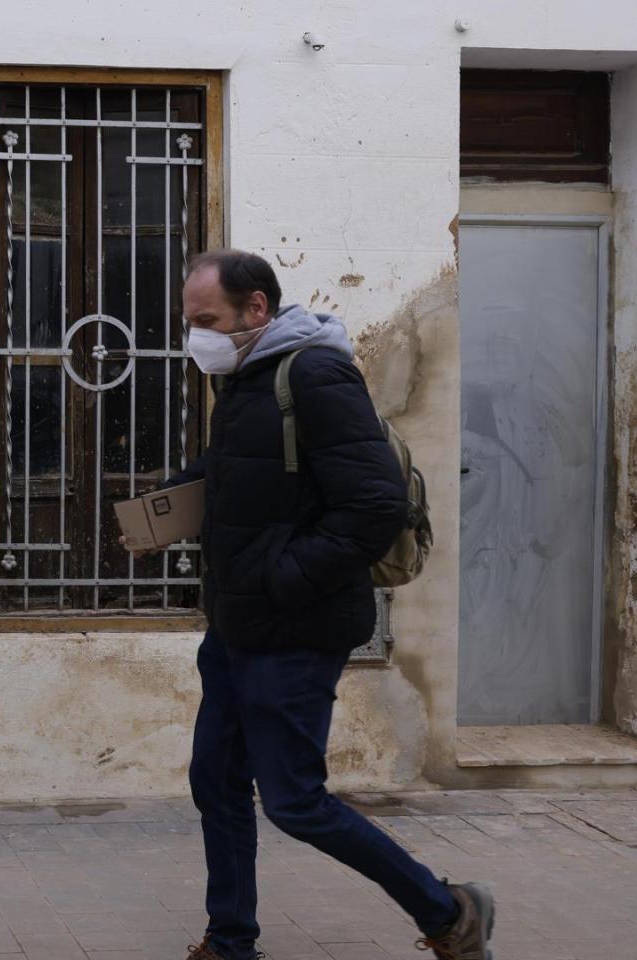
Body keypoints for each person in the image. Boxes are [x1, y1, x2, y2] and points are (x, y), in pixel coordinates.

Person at [127, 250, 495, 960]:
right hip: (237, 626)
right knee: (217, 782)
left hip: (294, 630)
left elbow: (372, 505)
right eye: (188, 321)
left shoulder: (315, 373)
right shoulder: (242, 377)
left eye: (206, 320)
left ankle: (450, 912)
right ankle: (231, 939)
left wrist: (281, 577)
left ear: (257, 309)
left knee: (295, 800)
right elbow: (234, 473)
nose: (194, 334)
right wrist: (159, 511)